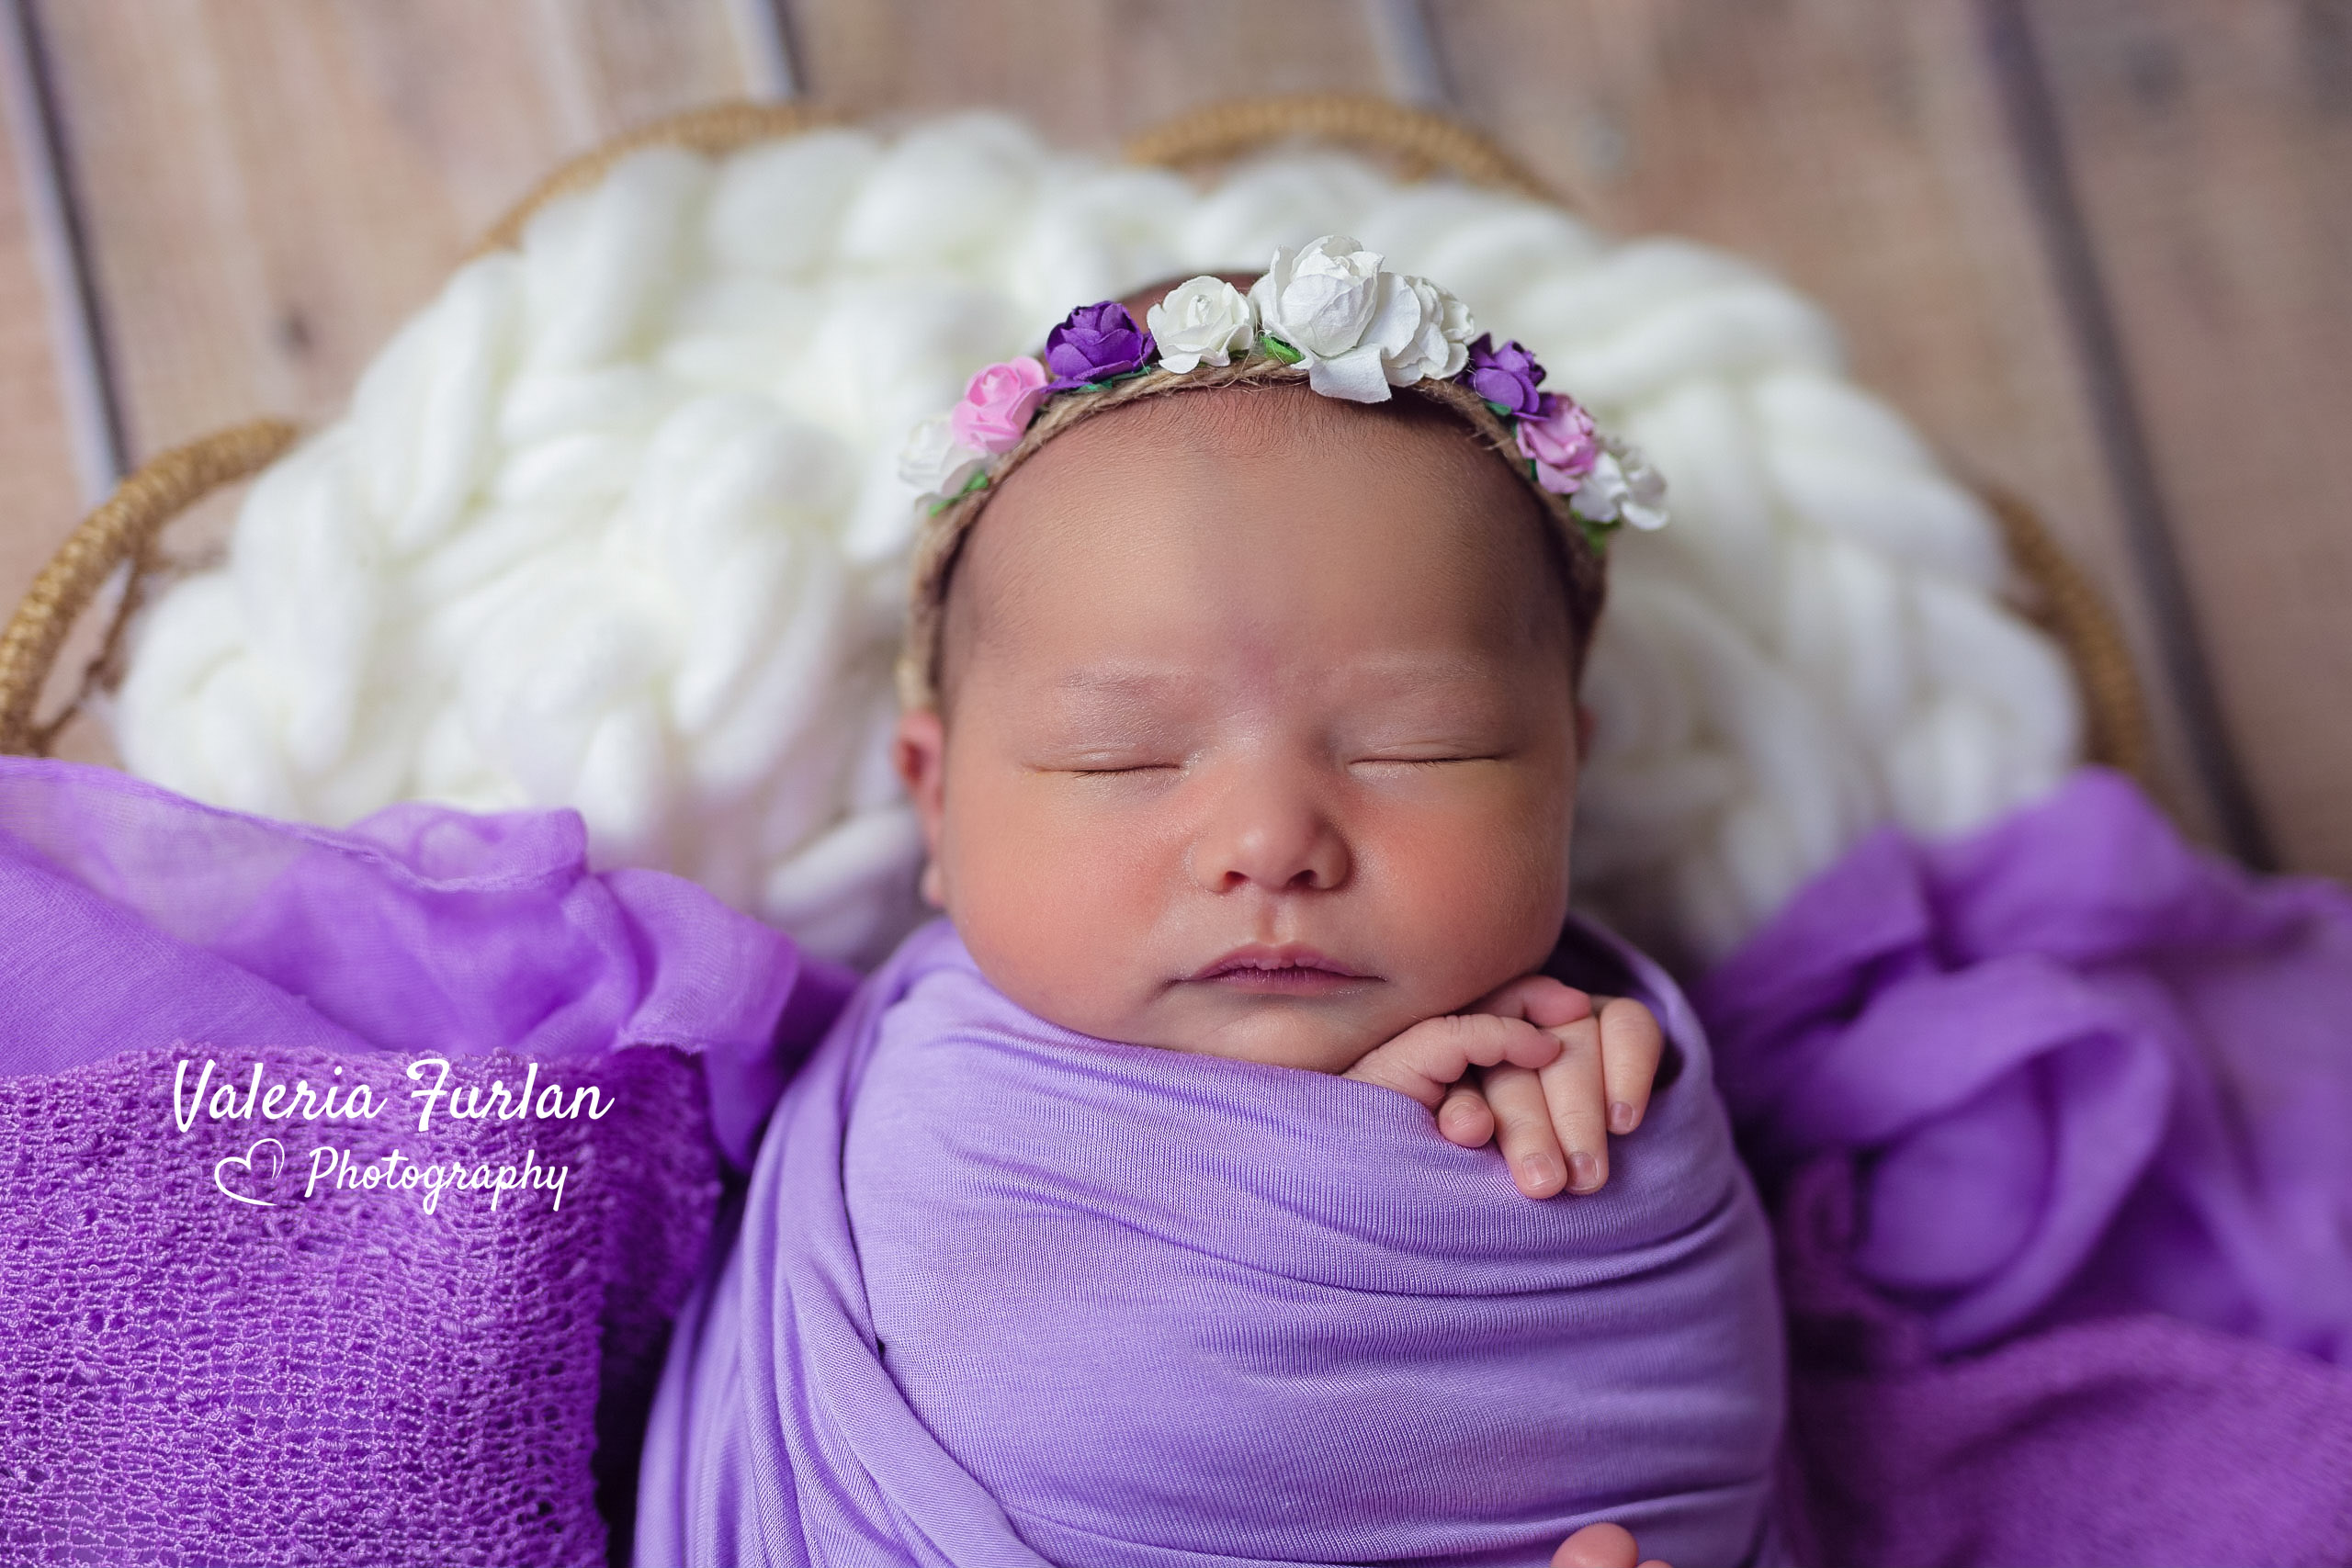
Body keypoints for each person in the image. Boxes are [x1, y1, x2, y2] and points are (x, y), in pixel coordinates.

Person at [637, 240, 1784, 1567]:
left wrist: (1480, 1161)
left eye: (1418, 746)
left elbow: (1672, 1425)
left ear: (1566, 779)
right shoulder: (929, 1118)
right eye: (1118, 757)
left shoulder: (1603, 1090)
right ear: (935, 803)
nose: (1269, 844)